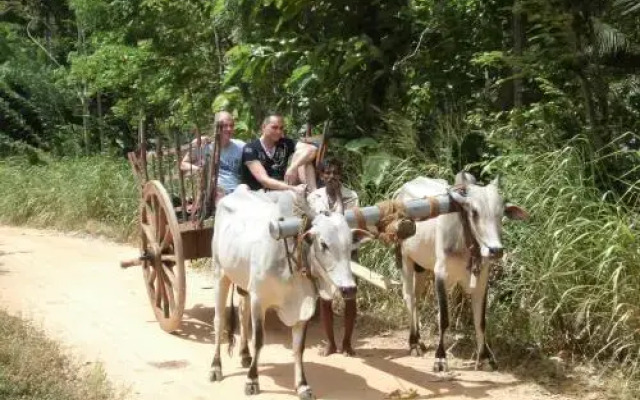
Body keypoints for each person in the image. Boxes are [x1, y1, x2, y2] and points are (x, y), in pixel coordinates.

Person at [307, 157, 360, 356]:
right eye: (327, 173)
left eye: (336, 173)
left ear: (341, 175)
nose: (332, 177)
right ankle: (330, 342)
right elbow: (313, 226)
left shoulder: (351, 196)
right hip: (325, 254)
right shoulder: (314, 198)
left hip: (346, 252)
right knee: (325, 297)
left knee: (350, 296)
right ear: (321, 176)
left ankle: (347, 342)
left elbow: (353, 223)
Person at [240, 114, 317, 195]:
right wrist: (292, 188)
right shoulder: (250, 148)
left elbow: (311, 149)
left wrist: (293, 167)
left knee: (302, 156)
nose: (279, 132)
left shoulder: (284, 143)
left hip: (283, 187)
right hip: (260, 193)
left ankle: (313, 194)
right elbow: (264, 180)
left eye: (281, 128)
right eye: (274, 127)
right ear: (263, 127)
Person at [180, 111, 245, 204]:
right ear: (216, 127)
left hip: (238, 190)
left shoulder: (240, 146)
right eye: (224, 126)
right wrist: (199, 169)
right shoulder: (205, 146)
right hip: (216, 192)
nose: (229, 129)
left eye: (231, 125)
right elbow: (183, 165)